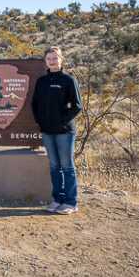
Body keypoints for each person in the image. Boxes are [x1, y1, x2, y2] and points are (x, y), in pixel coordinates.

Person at [31, 46, 83, 215]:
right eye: (49, 58)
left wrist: (61, 120)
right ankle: (58, 199)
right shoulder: (42, 81)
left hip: (64, 131)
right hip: (47, 131)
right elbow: (35, 104)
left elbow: (77, 106)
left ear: (61, 59)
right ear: (45, 61)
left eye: (55, 58)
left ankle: (71, 202)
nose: (52, 61)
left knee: (67, 166)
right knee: (54, 167)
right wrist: (41, 121)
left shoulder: (69, 80)